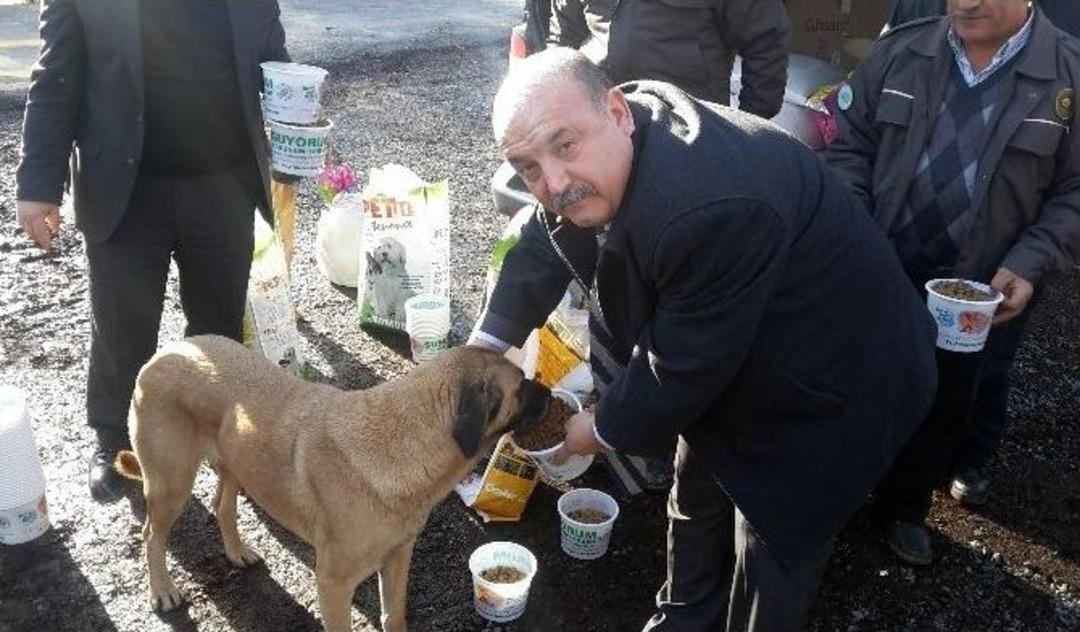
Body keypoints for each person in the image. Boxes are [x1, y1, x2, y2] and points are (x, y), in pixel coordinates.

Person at [471, 48, 937, 630]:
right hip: (732, 341)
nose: (554, 183)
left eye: (564, 146)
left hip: (836, 375)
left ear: (616, 111)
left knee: (770, 540)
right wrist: (480, 354)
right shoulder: (613, 146)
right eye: (528, 168)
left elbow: (681, 367)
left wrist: (598, 428)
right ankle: (682, 619)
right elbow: (547, 238)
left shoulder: (709, 206)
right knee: (696, 494)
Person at [825, 0, 1080, 564]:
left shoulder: (1069, 74)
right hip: (883, 267)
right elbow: (851, 146)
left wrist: (1030, 262)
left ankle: (905, 508)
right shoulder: (900, 52)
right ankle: (838, 495)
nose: (965, 2)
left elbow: (1074, 193)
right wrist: (859, 235)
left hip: (980, 289)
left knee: (944, 401)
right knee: (859, 384)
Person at [15, 0, 290, 503]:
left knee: (218, 330)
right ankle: (116, 440)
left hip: (223, 184)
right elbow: (57, 74)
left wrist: (300, 125)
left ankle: (220, 437)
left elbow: (273, 60)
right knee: (122, 327)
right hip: (124, 186)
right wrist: (38, 183)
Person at [547, 0, 791, 119]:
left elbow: (766, 39)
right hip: (602, 117)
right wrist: (553, 97)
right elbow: (563, 32)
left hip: (686, 126)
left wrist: (749, 122)